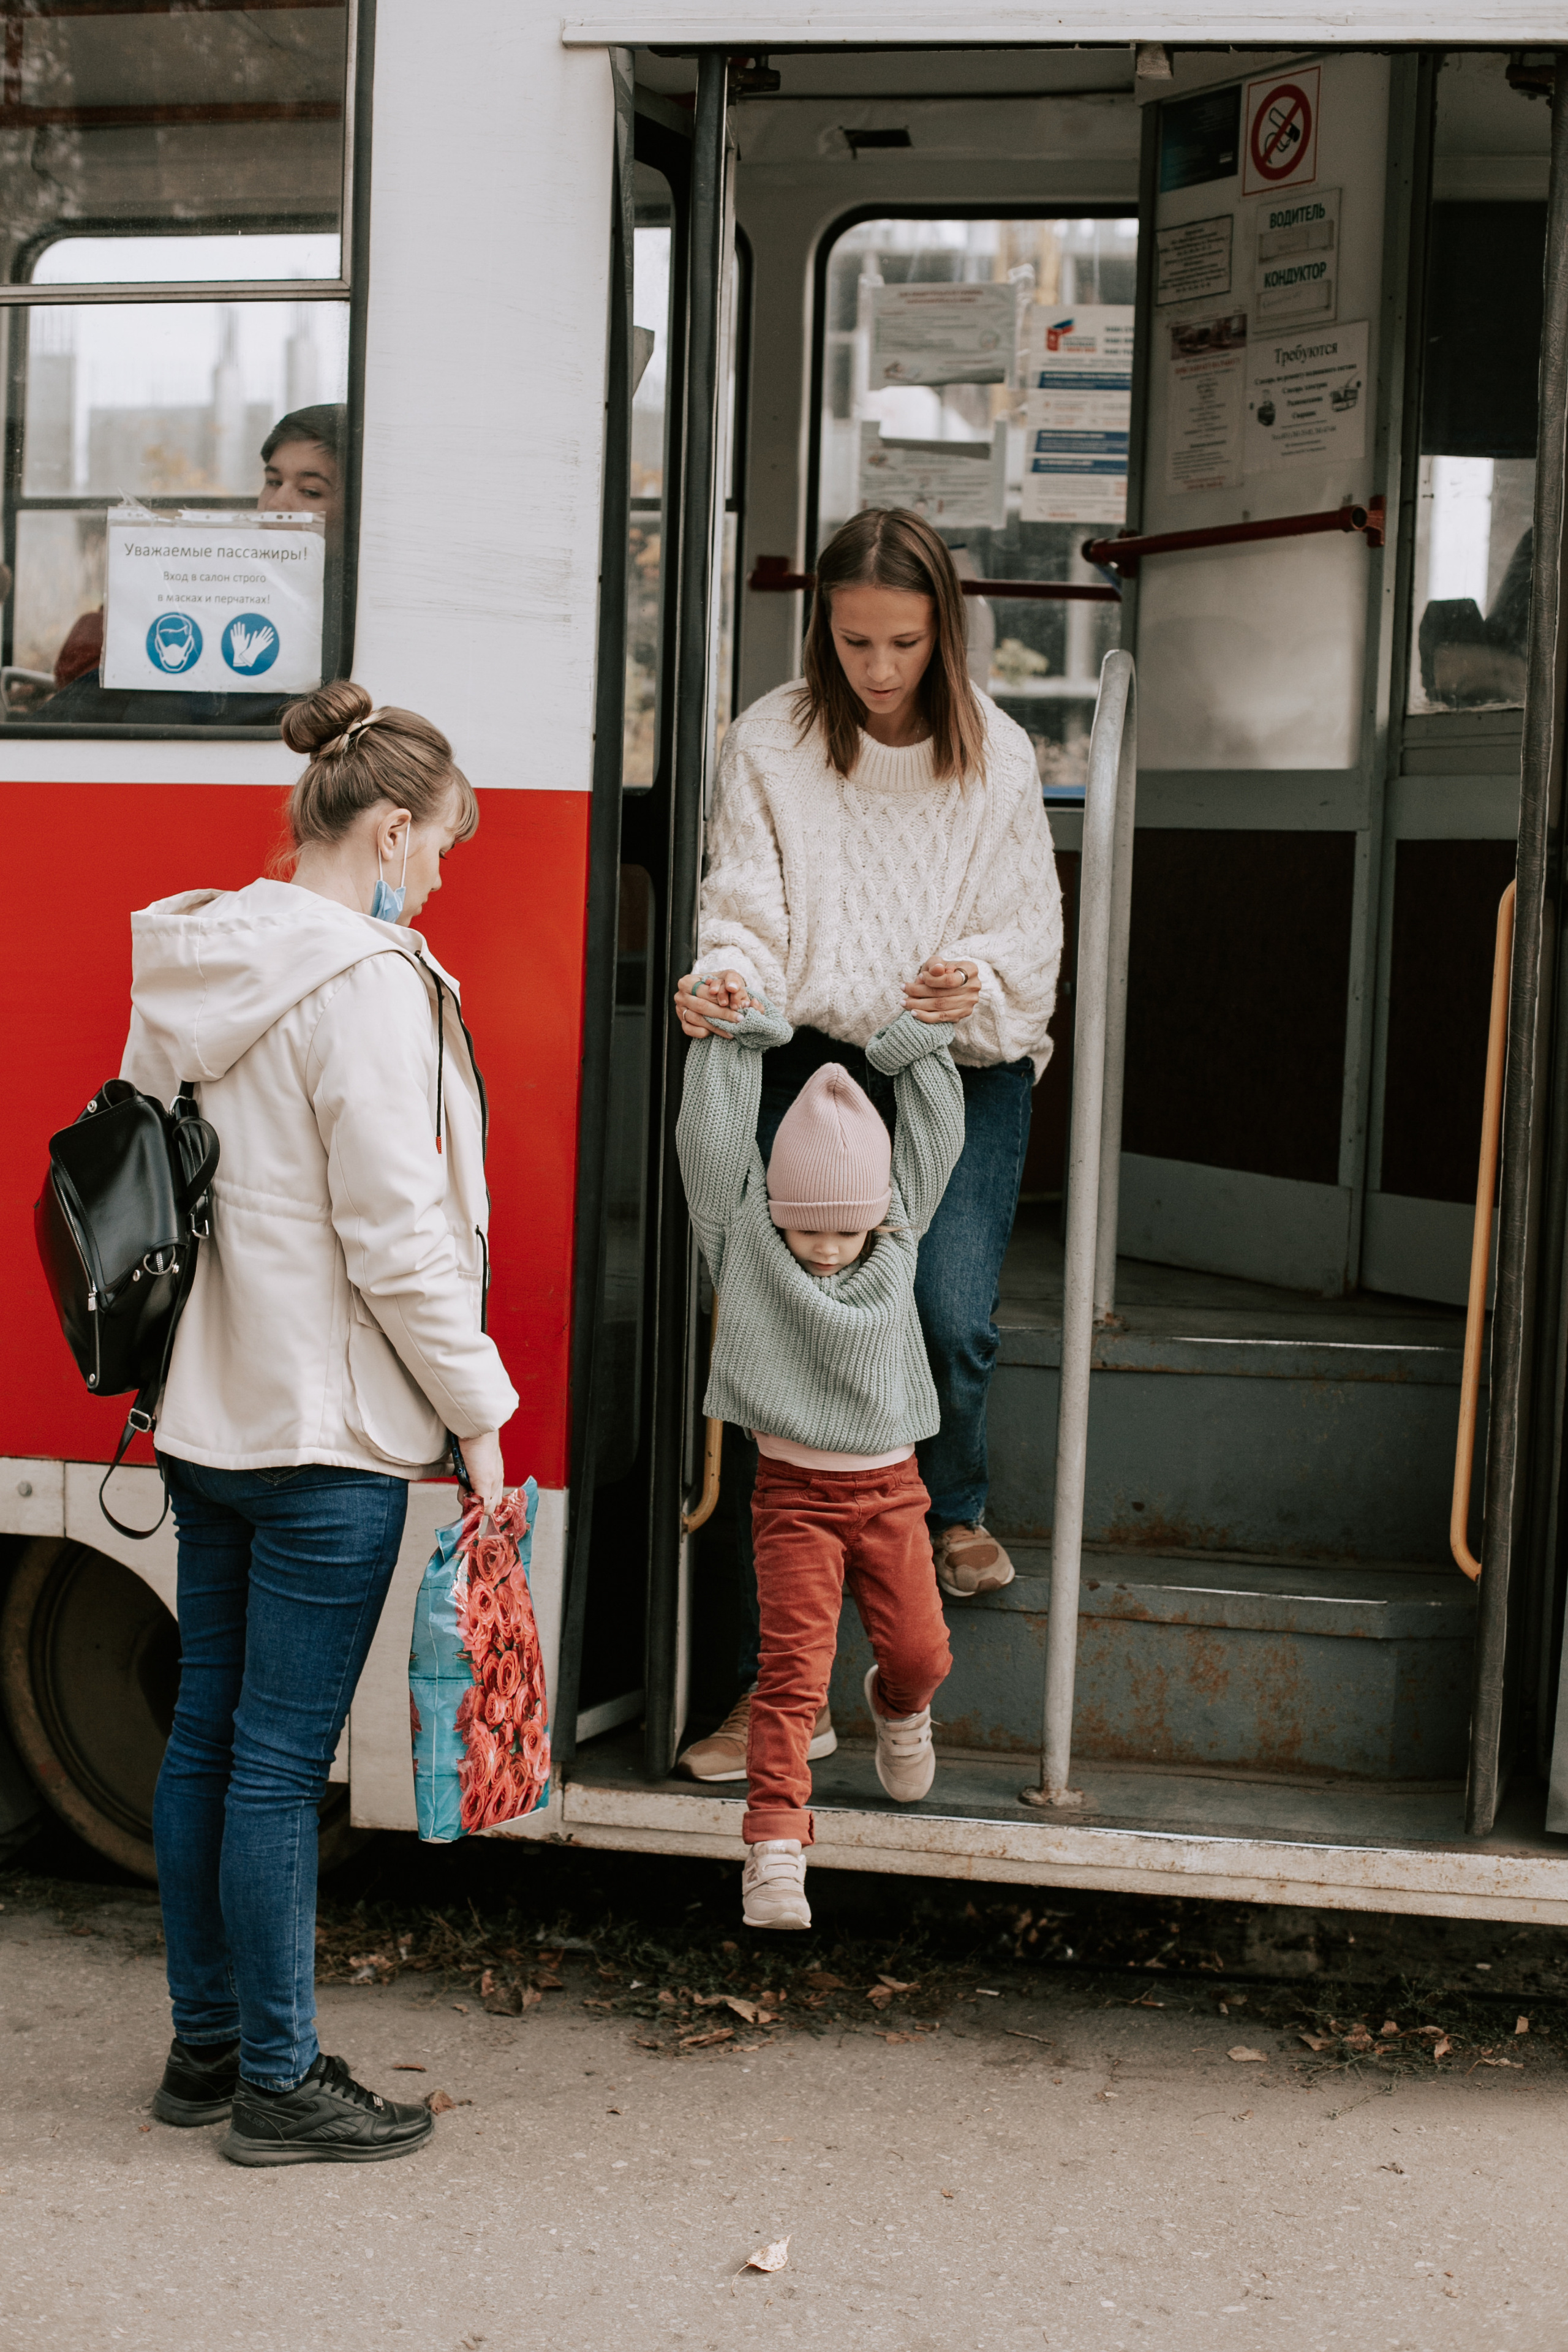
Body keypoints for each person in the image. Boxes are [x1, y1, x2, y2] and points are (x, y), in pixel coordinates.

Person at [120, 679, 518, 2166]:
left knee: (207, 1737)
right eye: (441, 849)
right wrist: (477, 1414)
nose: (440, 877)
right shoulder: (363, 980)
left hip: (208, 1414)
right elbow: (398, 1239)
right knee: (280, 1760)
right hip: (329, 1427)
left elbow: (148, 1168)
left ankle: (205, 2044)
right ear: (393, 826)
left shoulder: (202, 957)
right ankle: (281, 2082)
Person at [673, 506, 1062, 1782]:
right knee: (773, 1350)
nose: (879, 669)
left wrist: (970, 977)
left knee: (941, 1312)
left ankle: (948, 1499)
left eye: (902, 642)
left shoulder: (994, 755)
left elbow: (1027, 934)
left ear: (942, 631)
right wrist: (725, 982)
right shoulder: (770, 742)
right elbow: (743, 904)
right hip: (808, 1055)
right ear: (821, 633)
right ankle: (775, 1697)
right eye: (854, 643)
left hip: (948, 1061)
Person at [676, 992, 963, 1928]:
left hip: (893, 1493)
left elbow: (935, 1137)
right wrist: (730, 1045)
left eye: (846, 1231)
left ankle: (897, 1705)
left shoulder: (897, 1234)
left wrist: (919, 1045)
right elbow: (711, 1154)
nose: (830, 1251)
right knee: (791, 1674)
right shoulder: (750, 1242)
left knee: (920, 1655)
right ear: (780, 1217)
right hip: (793, 1497)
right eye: (811, 1231)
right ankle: (773, 1846)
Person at [34, 402, 346, 722]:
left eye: (310, 491)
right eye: (273, 482)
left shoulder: (347, 619)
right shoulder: (208, 570)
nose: (277, 503)